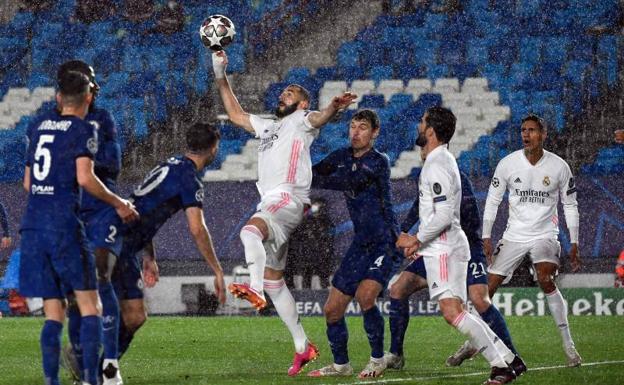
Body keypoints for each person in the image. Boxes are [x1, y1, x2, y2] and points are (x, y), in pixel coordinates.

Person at [211, 50, 356, 376]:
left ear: (303, 103)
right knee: (278, 281)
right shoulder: (269, 126)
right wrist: (219, 74)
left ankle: (255, 289)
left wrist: (333, 106)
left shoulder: (301, 121)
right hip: (275, 203)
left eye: (290, 93)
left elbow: (321, 117)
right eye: (282, 92)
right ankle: (303, 347)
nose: (282, 95)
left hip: (287, 199)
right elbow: (235, 115)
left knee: (250, 232)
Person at [63, 123, 228, 381]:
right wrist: (217, 270)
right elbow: (197, 228)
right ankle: (88, 361)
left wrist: (149, 255)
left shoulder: (171, 164)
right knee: (108, 306)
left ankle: (94, 368)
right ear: (213, 149)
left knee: (136, 316)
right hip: (113, 239)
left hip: (126, 243)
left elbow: (142, 208)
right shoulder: (189, 179)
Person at [19, 70, 139, 385]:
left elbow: (28, 182)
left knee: (53, 312)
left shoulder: (38, 125)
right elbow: (86, 179)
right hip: (64, 225)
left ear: (58, 97)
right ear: (87, 97)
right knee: (90, 303)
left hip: (32, 227)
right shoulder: (83, 129)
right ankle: (90, 379)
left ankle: (51, 381)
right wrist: (117, 203)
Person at [396, 107, 517, 384]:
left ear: (430, 131)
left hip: (443, 248)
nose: (419, 125)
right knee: (459, 313)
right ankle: (505, 360)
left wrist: (416, 239)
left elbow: (443, 213)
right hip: (448, 245)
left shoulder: (436, 165)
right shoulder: (444, 160)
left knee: (453, 314)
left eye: (423, 121)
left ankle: (502, 364)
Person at [384, 164, 526, 376]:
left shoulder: (457, 178)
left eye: (425, 145)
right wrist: (405, 231)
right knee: (397, 289)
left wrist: (419, 240)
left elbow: (468, 219)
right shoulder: (427, 176)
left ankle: (512, 358)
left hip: (465, 248)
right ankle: (396, 355)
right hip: (436, 249)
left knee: (479, 299)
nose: (422, 152)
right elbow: (418, 207)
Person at [306, 109, 402, 378]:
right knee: (332, 309)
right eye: (352, 127)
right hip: (360, 244)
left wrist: (318, 177)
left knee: (365, 296)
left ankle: (376, 359)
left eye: (362, 128)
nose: (355, 132)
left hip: (384, 241)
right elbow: (313, 173)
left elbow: (349, 181)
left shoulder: (378, 162)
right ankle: (341, 365)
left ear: (374, 133)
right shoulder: (342, 155)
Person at [483, 113, 582, 367]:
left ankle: (569, 346)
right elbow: (493, 200)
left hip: (544, 234)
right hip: (513, 235)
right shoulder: (507, 164)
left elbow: (570, 205)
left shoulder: (559, 166)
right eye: (523, 130)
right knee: (486, 290)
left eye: (532, 130)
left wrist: (574, 241)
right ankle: (476, 341)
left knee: (546, 279)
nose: (526, 134)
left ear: (543, 134)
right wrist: (486, 234)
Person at [52, 60, 124, 385]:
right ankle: (83, 364)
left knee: (99, 275)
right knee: (73, 296)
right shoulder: (48, 121)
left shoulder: (103, 119)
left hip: (100, 207)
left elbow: (114, 164)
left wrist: (83, 158)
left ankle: (110, 365)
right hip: (68, 211)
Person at [285, 197, 335, 289]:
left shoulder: (326, 222)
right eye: (314, 204)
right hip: (306, 254)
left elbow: (328, 238)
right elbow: (297, 235)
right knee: (305, 275)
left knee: (321, 275)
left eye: (317, 204)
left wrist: (324, 248)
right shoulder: (306, 220)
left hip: (321, 255)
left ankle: (321, 294)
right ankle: (304, 293)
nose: (314, 206)